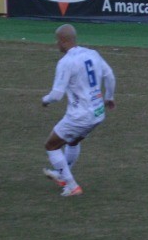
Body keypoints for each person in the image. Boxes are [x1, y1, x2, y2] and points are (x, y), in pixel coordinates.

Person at [39, 24, 115, 198]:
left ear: (63, 41)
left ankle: (71, 185)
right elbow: (109, 75)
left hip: (80, 115)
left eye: (57, 40)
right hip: (97, 113)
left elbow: (56, 95)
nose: (56, 44)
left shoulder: (66, 62)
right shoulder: (92, 54)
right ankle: (61, 174)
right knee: (72, 142)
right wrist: (109, 97)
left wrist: (45, 101)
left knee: (51, 146)